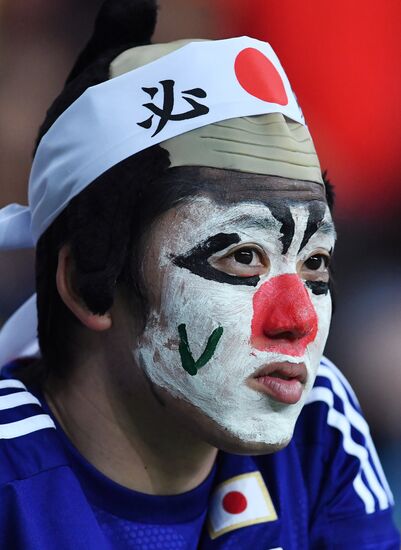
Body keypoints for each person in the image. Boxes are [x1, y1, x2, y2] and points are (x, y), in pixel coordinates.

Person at [0, 1, 399, 548]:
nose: (297, 321)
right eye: (241, 256)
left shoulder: (318, 424)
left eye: (314, 264)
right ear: (91, 281)